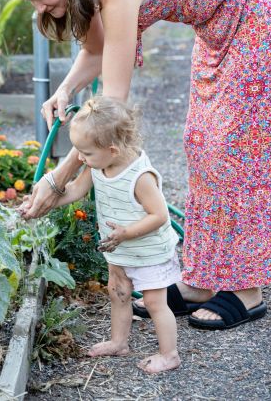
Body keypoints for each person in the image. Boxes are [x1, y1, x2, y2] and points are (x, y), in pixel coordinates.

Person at [6, 0, 271, 330]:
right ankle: (201, 280)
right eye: (31, 2)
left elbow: (110, 109)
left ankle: (247, 290)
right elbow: (97, 49)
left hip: (258, 14)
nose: (40, 9)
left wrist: (59, 179)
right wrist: (66, 87)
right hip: (219, 25)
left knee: (237, 150)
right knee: (201, 144)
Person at [52, 96, 181, 373]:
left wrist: (126, 233)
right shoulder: (98, 164)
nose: (79, 158)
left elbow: (159, 216)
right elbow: (76, 190)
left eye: (85, 153)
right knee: (118, 291)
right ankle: (118, 342)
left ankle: (169, 354)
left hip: (148, 250)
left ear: (111, 149)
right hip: (118, 246)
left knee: (154, 302)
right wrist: (48, 201)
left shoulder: (140, 176)